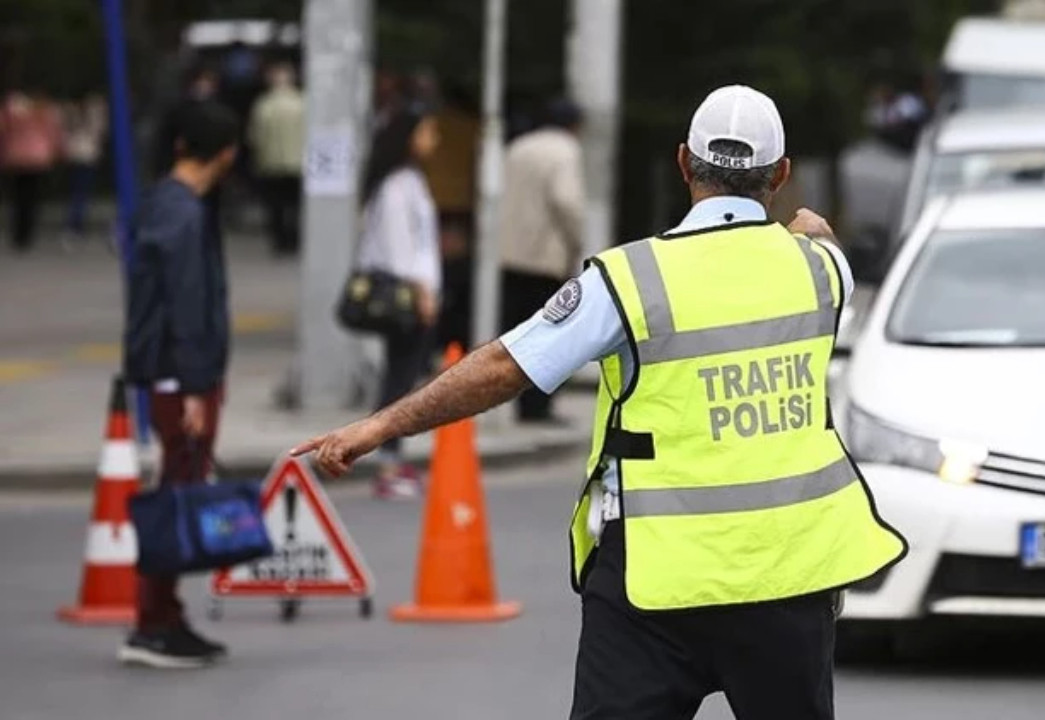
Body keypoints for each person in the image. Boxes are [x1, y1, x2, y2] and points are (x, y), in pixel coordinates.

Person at [294, 85, 907, 719]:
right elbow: (820, 235)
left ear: (681, 163)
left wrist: (381, 424)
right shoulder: (822, 271)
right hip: (789, 577)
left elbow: (507, 365)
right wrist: (807, 229)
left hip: (654, 581)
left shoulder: (628, 280)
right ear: (781, 174)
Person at [120, 102, 240, 668]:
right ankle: (153, 623)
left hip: (169, 372)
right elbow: (187, 306)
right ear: (226, 154)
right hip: (180, 378)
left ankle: (165, 616)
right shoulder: (185, 214)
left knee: (178, 486)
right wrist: (195, 387)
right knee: (177, 493)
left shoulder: (162, 202)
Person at [354, 106, 444, 499]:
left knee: (403, 374)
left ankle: (392, 455)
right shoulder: (397, 185)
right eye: (428, 132)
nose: (434, 141)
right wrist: (422, 292)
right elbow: (400, 248)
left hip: (414, 292)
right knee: (399, 378)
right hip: (406, 295)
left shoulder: (408, 180)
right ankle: (387, 460)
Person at [497, 97, 585, 424]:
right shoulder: (565, 151)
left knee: (516, 333)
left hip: (509, 253)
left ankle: (519, 403)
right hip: (545, 256)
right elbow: (566, 199)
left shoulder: (518, 147)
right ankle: (538, 407)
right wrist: (576, 241)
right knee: (549, 334)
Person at [248, 61, 305, 256]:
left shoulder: (264, 105)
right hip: (298, 162)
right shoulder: (302, 103)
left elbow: (255, 136)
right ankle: (294, 239)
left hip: (271, 163)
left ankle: (280, 240)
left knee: (276, 205)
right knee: (295, 204)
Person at [0, 87, 63, 252]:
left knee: (18, 197)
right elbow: (53, 133)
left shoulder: (12, 110)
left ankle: (18, 234)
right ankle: (27, 234)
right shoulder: (44, 111)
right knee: (31, 197)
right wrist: (55, 150)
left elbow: (4, 130)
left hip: (17, 157)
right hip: (38, 158)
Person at [61, 91, 108, 240]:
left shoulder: (71, 112)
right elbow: (101, 130)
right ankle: (75, 222)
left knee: (76, 190)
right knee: (82, 191)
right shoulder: (94, 112)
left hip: (75, 153)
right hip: (87, 154)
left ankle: (74, 222)